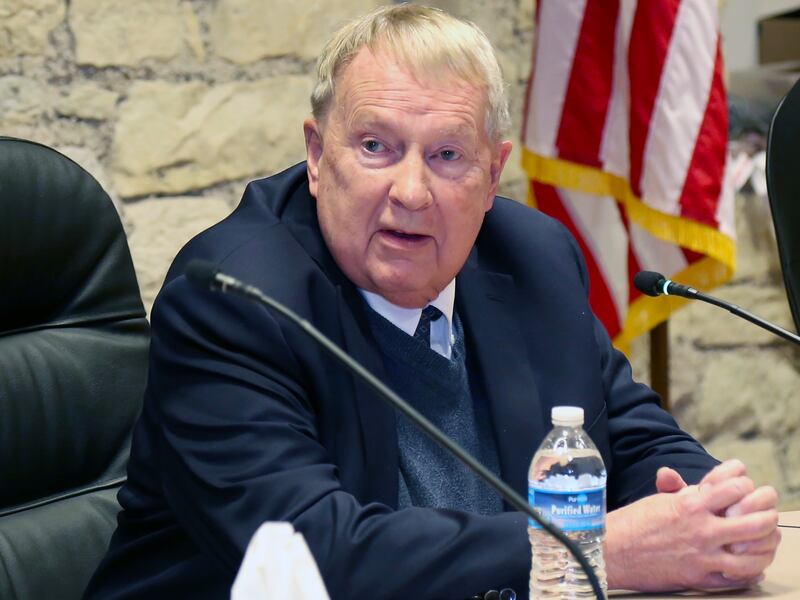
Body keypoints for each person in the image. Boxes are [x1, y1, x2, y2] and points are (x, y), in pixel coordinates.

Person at [85, 5, 780, 599]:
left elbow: (631, 436)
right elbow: (315, 555)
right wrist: (594, 548)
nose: (412, 193)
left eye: (448, 155)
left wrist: (707, 512)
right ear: (317, 157)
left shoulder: (531, 258)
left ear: (491, 172)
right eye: (375, 146)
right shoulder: (234, 298)